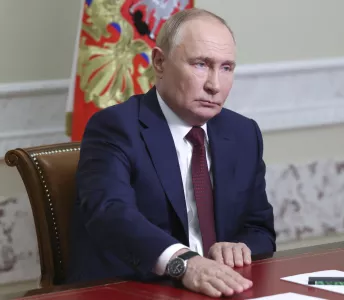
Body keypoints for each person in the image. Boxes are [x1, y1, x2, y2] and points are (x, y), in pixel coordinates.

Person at [66, 8, 276, 298]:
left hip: (218, 289)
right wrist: (184, 263)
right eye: (201, 64)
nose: (215, 85)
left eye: (226, 68)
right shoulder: (116, 127)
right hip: (134, 289)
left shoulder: (242, 133)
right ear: (160, 62)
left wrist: (240, 246)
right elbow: (110, 213)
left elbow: (260, 229)